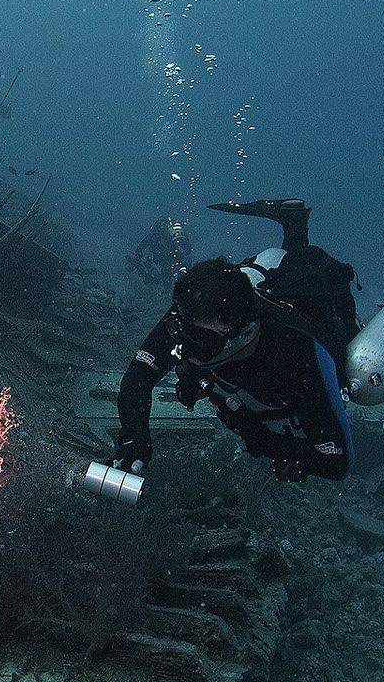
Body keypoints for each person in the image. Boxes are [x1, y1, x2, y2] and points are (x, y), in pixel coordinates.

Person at [111, 198, 359, 483]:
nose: (181, 344)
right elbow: (138, 376)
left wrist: (265, 441)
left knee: (304, 273)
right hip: (243, 306)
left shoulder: (295, 352)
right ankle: (294, 228)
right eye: (180, 325)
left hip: (306, 324)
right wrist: (135, 438)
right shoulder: (191, 313)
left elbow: (337, 460)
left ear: (240, 335)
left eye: (199, 337)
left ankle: (296, 230)